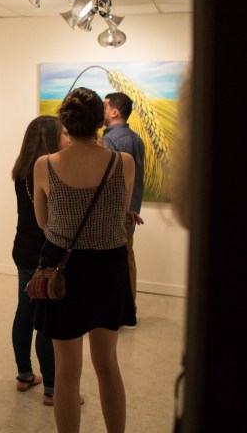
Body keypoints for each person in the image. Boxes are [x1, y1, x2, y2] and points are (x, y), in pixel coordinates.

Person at [32, 87, 138, 433]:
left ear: (66, 121)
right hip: (108, 268)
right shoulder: (122, 162)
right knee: (107, 364)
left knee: (66, 370)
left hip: (63, 268)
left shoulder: (45, 165)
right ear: (100, 122)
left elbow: (43, 222)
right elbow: (121, 214)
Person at [10, 115, 70, 405]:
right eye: (63, 134)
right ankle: (52, 389)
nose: (67, 138)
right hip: (43, 251)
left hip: (22, 248)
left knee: (24, 312)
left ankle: (24, 375)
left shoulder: (21, 170)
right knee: (45, 319)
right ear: (50, 137)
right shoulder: (50, 171)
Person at [101, 92, 145, 327]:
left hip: (116, 215)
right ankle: (129, 308)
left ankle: (117, 311)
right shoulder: (136, 138)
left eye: (105, 106)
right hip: (131, 211)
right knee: (127, 258)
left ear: (114, 112)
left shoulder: (110, 141)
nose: (102, 110)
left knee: (115, 264)